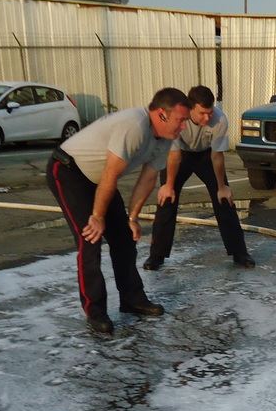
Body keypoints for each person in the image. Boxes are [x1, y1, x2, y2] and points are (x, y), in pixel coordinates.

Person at [46, 87, 191, 335]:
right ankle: (95, 311)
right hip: (69, 170)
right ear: (161, 114)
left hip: (99, 179)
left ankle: (132, 299)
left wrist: (132, 218)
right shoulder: (134, 126)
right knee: (90, 239)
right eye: (181, 120)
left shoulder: (165, 138)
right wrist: (98, 217)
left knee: (123, 238)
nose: (183, 127)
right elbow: (111, 174)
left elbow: (147, 179)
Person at [143, 85, 254, 271]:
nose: (207, 117)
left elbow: (217, 156)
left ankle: (240, 253)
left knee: (224, 199)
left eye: (210, 112)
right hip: (180, 155)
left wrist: (222, 186)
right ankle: (156, 256)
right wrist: (169, 185)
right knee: (167, 199)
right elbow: (174, 155)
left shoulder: (220, 120)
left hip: (206, 155)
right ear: (190, 107)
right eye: (202, 113)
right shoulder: (178, 118)